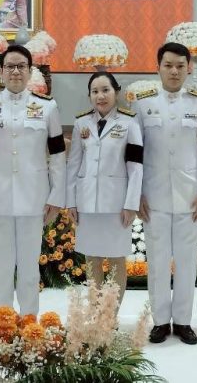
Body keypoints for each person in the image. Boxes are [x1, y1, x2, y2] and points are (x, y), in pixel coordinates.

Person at [0, 44, 65, 316]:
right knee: (0, 268)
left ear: (30, 71)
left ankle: (29, 321)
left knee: (29, 269)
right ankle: (3, 323)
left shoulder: (47, 107)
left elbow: (57, 155)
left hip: (34, 199)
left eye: (21, 66)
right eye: (9, 66)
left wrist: (56, 196)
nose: (15, 71)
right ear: (0, 71)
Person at [130, 42, 197, 346]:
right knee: (156, 261)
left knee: (186, 261)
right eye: (168, 65)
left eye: (180, 65)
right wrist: (136, 193)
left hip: (191, 196)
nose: (175, 71)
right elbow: (135, 153)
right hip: (152, 196)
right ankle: (160, 321)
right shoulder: (142, 104)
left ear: (188, 68)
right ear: (158, 67)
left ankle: (183, 321)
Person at [66, 71, 142, 302]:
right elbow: (73, 164)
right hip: (87, 202)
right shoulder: (81, 123)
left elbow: (136, 167)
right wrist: (71, 202)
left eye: (105, 90)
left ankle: (110, 316)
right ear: (89, 95)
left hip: (116, 204)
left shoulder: (129, 123)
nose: (100, 96)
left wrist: (131, 204)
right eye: (95, 91)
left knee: (117, 259)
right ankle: (95, 313)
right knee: (92, 259)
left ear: (116, 92)